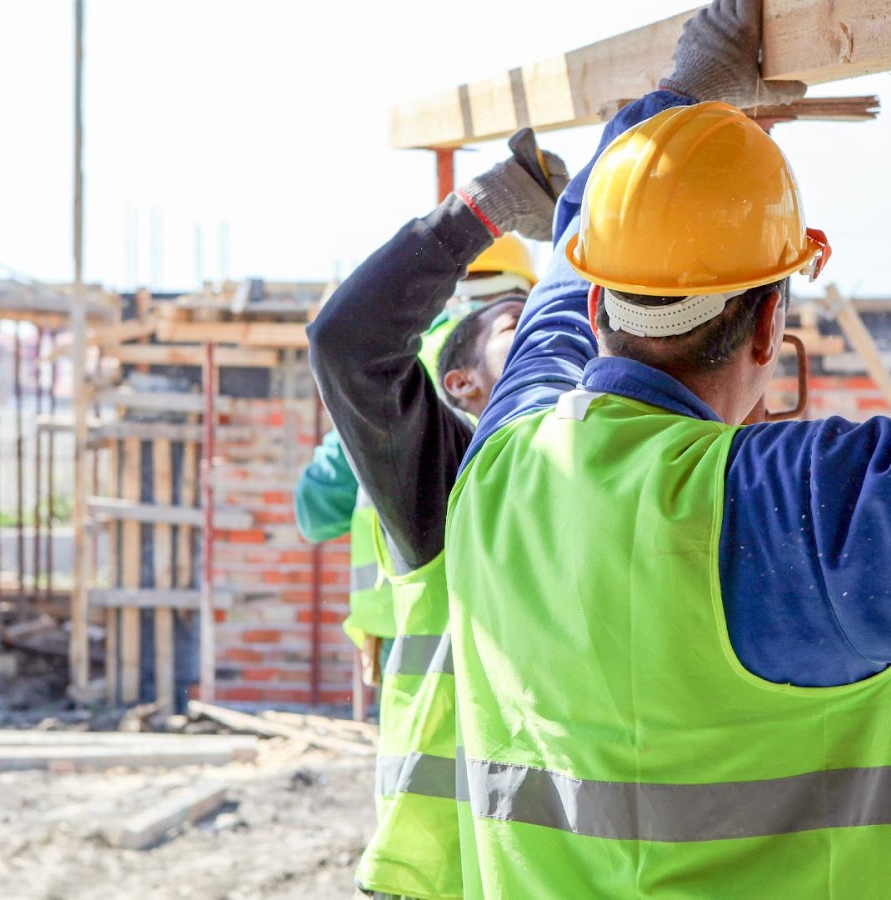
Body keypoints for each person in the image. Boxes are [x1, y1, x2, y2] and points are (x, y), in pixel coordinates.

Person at [442, 0, 891, 896]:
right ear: (769, 327)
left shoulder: (502, 464)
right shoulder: (780, 517)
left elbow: (563, 274)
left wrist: (673, 114)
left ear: (600, 311)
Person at [306, 132, 566, 898]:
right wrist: (486, 208)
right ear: (461, 387)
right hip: (444, 879)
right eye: (522, 327)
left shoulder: (616, 480)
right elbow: (348, 344)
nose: (556, 343)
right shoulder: (451, 484)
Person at [294, 237, 539, 683]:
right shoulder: (529, 349)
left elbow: (315, 510)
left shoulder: (392, 363)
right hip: (522, 633)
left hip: (410, 632)